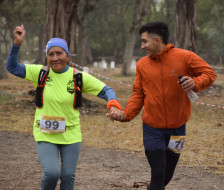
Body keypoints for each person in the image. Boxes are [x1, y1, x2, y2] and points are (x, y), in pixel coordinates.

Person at [6, 25, 123, 190]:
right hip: (45, 132)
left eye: (59, 53)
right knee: (52, 173)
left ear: (67, 56)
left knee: (68, 176)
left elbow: (107, 90)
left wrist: (113, 106)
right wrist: (17, 43)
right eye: (51, 54)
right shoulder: (40, 73)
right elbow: (12, 67)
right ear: (47, 57)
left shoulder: (78, 76)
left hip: (71, 134)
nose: (55, 58)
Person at [107, 22, 217, 190]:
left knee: (166, 175)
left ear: (157, 40)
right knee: (158, 172)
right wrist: (126, 114)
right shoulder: (142, 65)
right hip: (152, 128)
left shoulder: (185, 57)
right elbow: (138, 94)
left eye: (144, 42)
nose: (142, 46)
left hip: (178, 129)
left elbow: (210, 74)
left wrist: (195, 82)